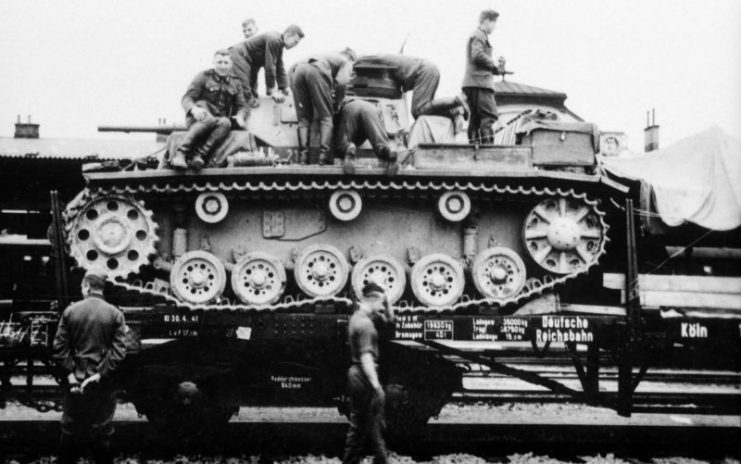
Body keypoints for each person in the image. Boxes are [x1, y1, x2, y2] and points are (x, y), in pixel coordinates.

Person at [53, 271, 128, 464]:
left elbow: (59, 347)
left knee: (70, 429)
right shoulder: (115, 314)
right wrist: (99, 375)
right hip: (101, 383)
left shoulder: (71, 311)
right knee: (102, 431)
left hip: (75, 382)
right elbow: (119, 351)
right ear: (101, 289)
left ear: (87, 287)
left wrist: (70, 375)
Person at [342, 282, 395, 464]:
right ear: (373, 300)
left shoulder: (359, 317)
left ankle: (376, 459)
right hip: (363, 376)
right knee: (366, 425)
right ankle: (374, 460)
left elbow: (389, 320)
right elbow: (366, 358)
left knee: (369, 425)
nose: (382, 307)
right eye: (381, 302)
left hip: (358, 375)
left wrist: (387, 301)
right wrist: (376, 385)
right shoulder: (365, 325)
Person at [171, 49, 248, 170]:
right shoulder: (203, 77)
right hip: (198, 119)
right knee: (208, 117)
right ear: (214, 62)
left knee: (226, 122)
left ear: (231, 64)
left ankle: (199, 155)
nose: (222, 66)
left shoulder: (235, 82)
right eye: (219, 62)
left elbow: (242, 105)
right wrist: (194, 109)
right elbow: (187, 98)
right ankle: (180, 153)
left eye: (226, 63)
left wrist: (240, 115)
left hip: (217, 122)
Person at [289, 48, 357, 165]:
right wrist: (337, 104)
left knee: (303, 120)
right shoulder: (346, 61)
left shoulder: (324, 54)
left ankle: (303, 157)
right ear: (352, 58)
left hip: (298, 70)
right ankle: (323, 157)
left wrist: (297, 92)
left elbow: (291, 70)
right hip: (317, 71)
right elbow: (342, 83)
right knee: (326, 117)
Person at [356, 54, 468, 120]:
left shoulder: (377, 57)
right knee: (423, 112)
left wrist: (354, 62)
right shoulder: (388, 62)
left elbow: (374, 58)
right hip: (427, 71)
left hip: (425, 71)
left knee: (418, 111)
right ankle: (453, 111)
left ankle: (456, 100)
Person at [229, 25, 304, 106]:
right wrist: (272, 90)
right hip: (240, 54)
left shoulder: (279, 43)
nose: (295, 45)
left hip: (249, 59)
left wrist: (285, 87)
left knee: (253, 92)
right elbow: (270, 66)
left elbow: (279, 66)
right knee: (245, 89)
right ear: (288, 35)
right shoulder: (274, 40)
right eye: (295, 42)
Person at [462, 9, 506, 144]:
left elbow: (478, 58)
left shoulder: (476, 35)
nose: (494, 27)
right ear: (487, 21)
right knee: (489, 115)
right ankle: (488, 152)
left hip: (472, 83)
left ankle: (474, 150)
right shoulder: (480, 35)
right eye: (494, 23)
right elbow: (477, 55)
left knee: (475, 118)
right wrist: (493, 66)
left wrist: (496, 69)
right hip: (480, 84)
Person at [336, 98, 401, 176]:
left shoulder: (344, 100)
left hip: (350, 107)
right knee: (381, 145)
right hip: (370, 108)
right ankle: (389, 150)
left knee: (342, 143)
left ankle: (348, 147)